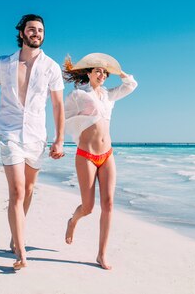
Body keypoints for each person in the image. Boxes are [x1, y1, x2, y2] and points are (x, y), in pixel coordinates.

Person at [0, 14, 66, 270]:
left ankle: (15, 237)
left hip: (37, 135)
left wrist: (59, 139)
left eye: (40, 30)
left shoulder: (51, 67)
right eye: (31, 29)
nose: (36, 33)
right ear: (22, 33)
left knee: (28, 191)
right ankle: (22, 251)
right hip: (10, 133)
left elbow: (58, 105)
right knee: (16, 191)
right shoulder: (4, 64)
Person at [62, 53, 137, 270]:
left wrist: (117, 70)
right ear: (88, 73)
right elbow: (62, 118)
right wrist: (59, 140)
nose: (102, 75)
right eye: (98, 71)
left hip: (107, 155)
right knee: (88, 207)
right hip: (86, 154)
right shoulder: (77, 95)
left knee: (109, 204)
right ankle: (73, 221)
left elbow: (131, 84)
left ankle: (101, 254)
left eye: (104, 72)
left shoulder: (108, 95)